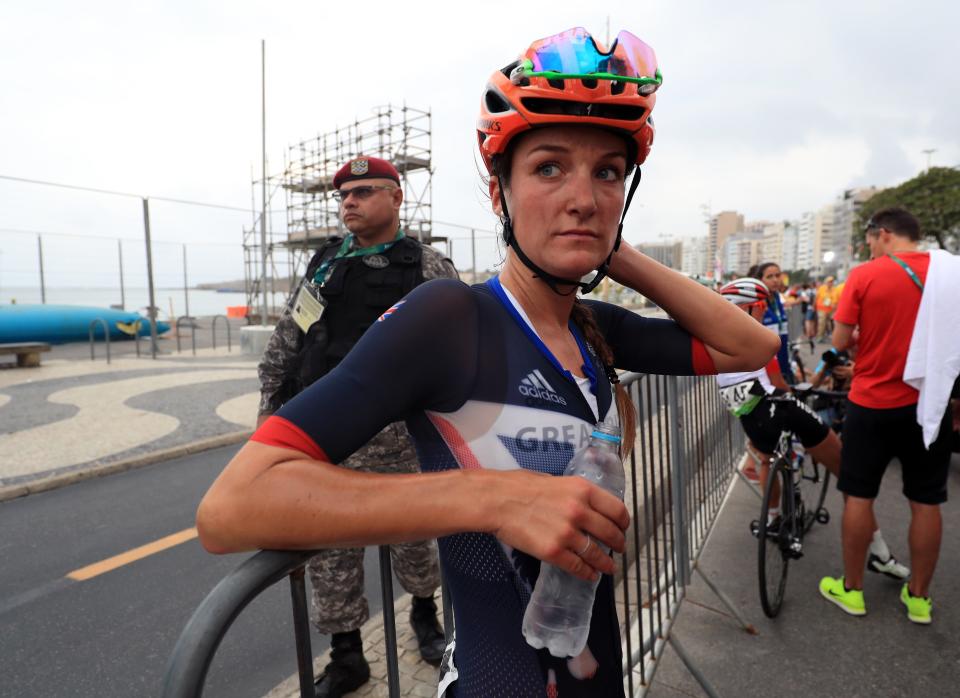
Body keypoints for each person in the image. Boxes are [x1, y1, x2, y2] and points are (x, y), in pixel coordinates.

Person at [199, 27, 779, 697]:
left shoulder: (596, 329)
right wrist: (491, 498)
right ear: (499, 191)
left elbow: (750, 346)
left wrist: (607, 245)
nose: (583, 196)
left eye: (608, 173)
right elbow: (233, 506)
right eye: (550, 168)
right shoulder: (451, 317)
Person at [255, 154, 458, 696]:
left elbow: (459, 348)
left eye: (365, 191)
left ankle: (424, 620)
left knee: (416, 542)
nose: (349, 202)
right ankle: (347, 657)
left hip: (404, 443)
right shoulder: (323, 267)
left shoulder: (429, 268)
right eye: (344, 194)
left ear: (396, 198)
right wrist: (267, 427)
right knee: (331, 554)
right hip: (327, 442)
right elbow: (287, 343)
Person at [714, 279, 909, 583]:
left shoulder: (713, 334)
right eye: (764, 306)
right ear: (752, 306)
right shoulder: (758, 334)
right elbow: (778, 384)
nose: (766, 312)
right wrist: (795, 390)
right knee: (847, 473)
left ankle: (775, 518)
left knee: (767, 459)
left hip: (748, 415)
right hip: (777, 408)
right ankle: (880, 552)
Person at [819, 207, 955, 624]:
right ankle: (918, 598)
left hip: (872, 403)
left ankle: (854, 590)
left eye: (870, 239)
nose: (869, 247)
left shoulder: (865, 275)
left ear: (883, 234)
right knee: (926, 501)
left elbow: (839, 341)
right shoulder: (950, 273)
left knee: (859, 495)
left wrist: (862, 336)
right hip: (930, 406)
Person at [755, 262, 794, 383]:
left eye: (777, 275)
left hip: (783, 360)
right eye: (770, 276)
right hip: (766, 367)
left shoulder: (777, 298)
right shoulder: (756, 302)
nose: (775, 280)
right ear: (760, 280)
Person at [814, 276, 838, 342]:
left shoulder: (834, 289)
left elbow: (835, 300)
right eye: (829, 282)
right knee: (822, 323)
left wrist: (834, 306)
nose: (831, 283)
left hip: (831, 310)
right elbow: (819, 297)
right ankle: (820, 337)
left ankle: (835, 336)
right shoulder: (822, 288)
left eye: (832, 282)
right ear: (826, 282)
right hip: (822, 309)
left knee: (834, 322)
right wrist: (814, 306)